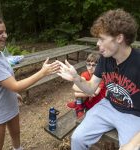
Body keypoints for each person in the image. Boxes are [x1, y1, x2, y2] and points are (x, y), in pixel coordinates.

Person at [57, 9, 140, 150]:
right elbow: (90, 88)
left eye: (102, 39)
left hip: (134, 115)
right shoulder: (105, 59)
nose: (97, 43)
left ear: (119, 38)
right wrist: (76, 78)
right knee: (77, 138)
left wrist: (133, 143)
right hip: (108, 106)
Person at [0, 15, 60, 150]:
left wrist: (13, 94)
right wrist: (42, 72)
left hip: (10, 104)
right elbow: (16, 85)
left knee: (16, 135)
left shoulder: (0, 53)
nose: (5, 35)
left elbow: (7, 78)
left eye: (5, 31)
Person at [67, 52, 106, 118]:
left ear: (99, 66)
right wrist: (86, 91)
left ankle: (78, 103)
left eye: (93, 65)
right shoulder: (85, 73)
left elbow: (96, 93)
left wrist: (77, 94)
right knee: (82, 86)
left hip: (98, 100)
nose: (90, 68)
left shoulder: (101, 76)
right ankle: (79, 107)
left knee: (82, 88)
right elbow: (74, 86)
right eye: (88, 65)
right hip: (89, 97)